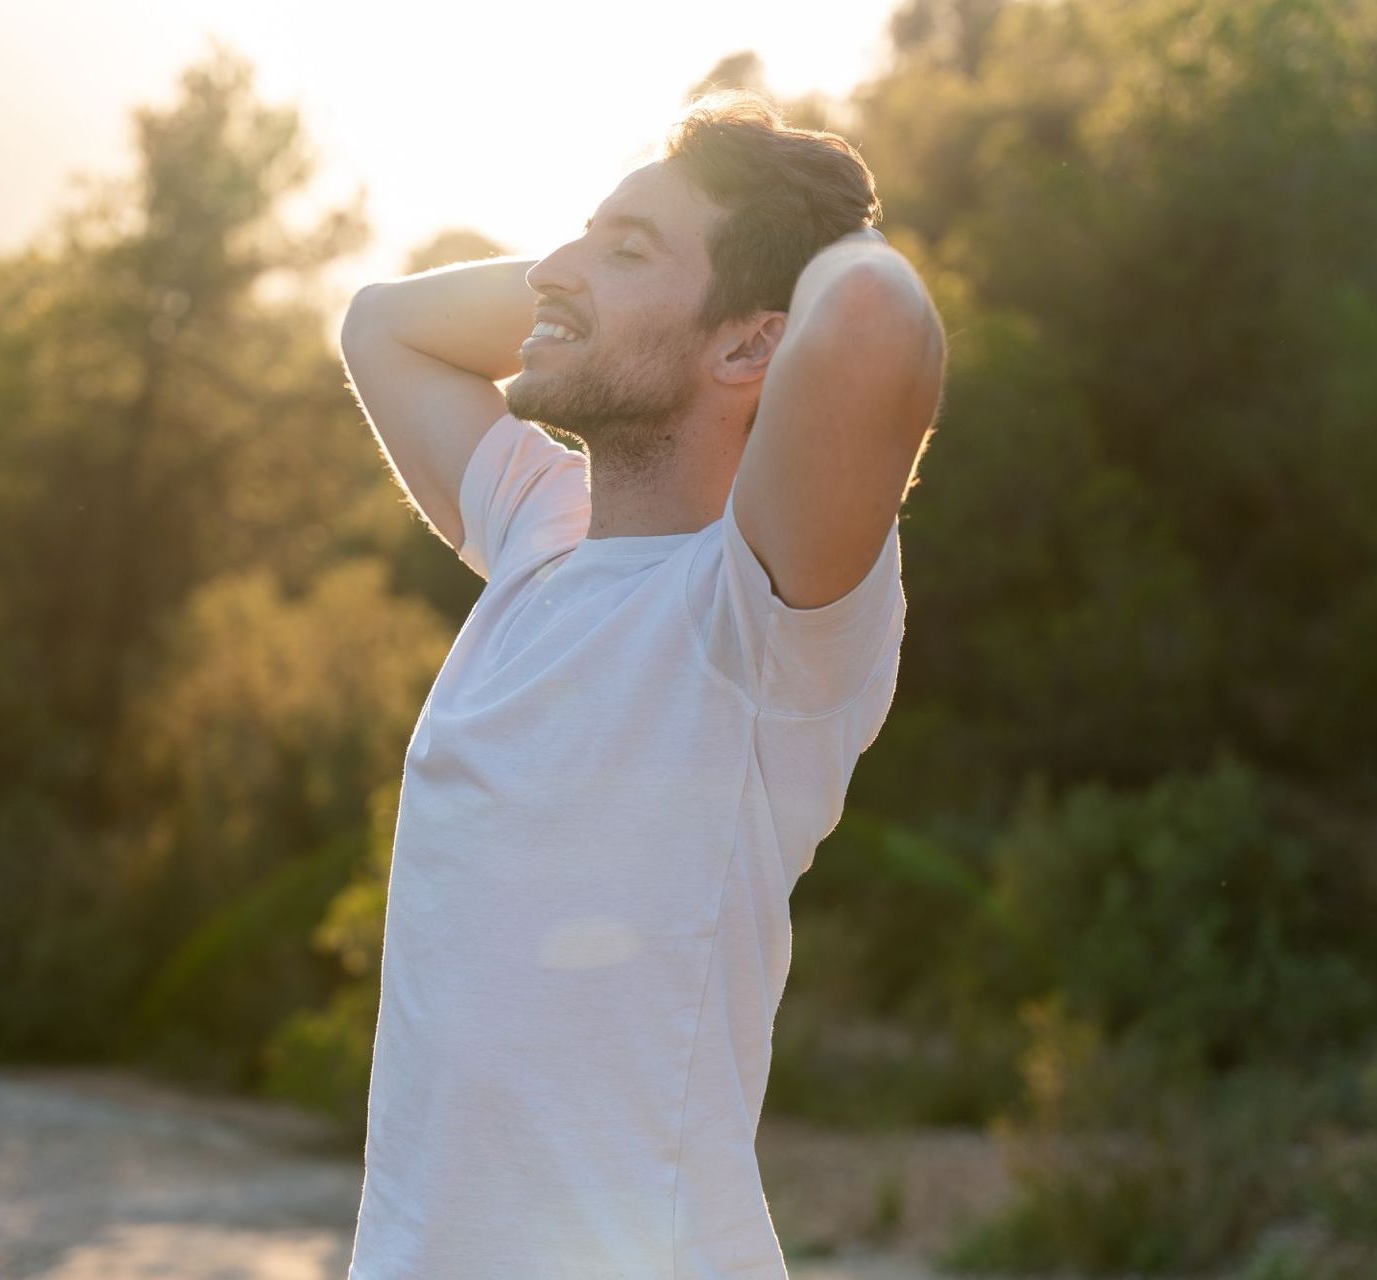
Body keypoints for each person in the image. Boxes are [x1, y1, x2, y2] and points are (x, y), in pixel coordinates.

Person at [335, 89, 947, 1279]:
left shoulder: (758, 616)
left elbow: (873, 317)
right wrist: (592, 282)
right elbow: (382, 324)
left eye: (625, 250)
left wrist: (806, 231)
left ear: (751, 345)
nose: (548, 271)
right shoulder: (537, 531)